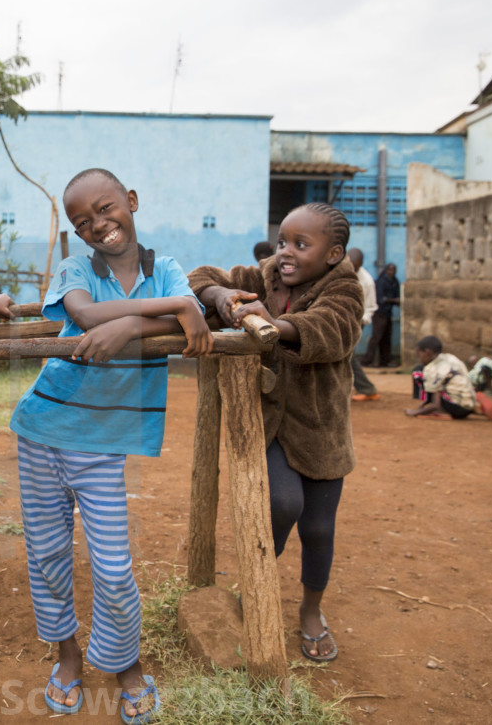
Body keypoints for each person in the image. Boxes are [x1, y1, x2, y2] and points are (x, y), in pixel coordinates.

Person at [9, 168, 210, 723]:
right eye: (83, 220)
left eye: (106, 208)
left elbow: (187, 314)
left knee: (114, 567)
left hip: (103, 444)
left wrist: (146, 319)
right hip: (44, 431)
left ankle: (126, 665)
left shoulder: (165, 268)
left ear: (132, 201)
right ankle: (67, 656)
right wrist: (154, 316)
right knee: (48, 555)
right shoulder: (77, 266)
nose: (99, 224)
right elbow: (86, 315)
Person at [188, 202, 363, 663]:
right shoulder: (267, 275)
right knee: (283, 502)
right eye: (283, 240)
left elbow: (333, 330)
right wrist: (222, 297)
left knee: (320, 529)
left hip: (321, 430)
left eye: (301, 245)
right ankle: (259, 581)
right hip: (270, 425)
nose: (286, 252)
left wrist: (273, 326)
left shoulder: (345, 288)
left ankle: (310, 610)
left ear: (332, 254)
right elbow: (200, 276)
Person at [406, 335, 492, 420]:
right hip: (468, 406)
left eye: (419, 353)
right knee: (443, 385)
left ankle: (443, 411)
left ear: (427, 352)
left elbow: (435, 405)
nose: (420, 357)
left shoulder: (432, 369)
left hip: (456, 409)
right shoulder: (450, 358)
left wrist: (415, 412)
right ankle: (473, 406)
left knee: (417, 372)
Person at [348, 248, 379, 401]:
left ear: (361, 264)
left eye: (356, 266)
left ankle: (367, 389)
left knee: (348, 355)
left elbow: (371, 307)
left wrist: (360, 322)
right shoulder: (335, 271)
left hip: (356, 323)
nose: (353, 268)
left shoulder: (366, 281)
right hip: (337, 319)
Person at [361, 262, 399, 367]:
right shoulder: (381, 282)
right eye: (390, 270)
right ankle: (366, 361)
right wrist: (394, 300)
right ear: (386, 270)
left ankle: (385, 361)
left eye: (394, 270)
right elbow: (380, 299)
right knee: (376, 337)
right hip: (379, 313)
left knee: (386, 338)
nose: (392, 272)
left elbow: (397, 296)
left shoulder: (394, 281)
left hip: (388, 313)